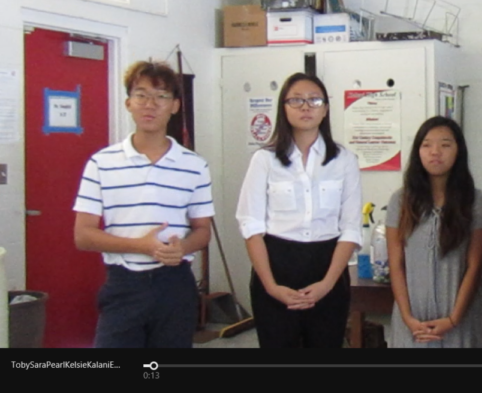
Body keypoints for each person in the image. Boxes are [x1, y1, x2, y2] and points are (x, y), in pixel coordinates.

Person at [73, 60, 214, 348]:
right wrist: (142, 246)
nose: (150, 104)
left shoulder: (194, 166)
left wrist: (182, 249)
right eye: (141, 95)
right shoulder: (102, 163)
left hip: (175, 286)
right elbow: (83, 235)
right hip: (124, 286)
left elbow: (203, 230)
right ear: (128, 103)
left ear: (174, 105)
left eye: (161, 96)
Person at [235, 72, 361, 348]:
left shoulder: (344, 161)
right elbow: (251, 226)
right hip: (276, 268)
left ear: (325, 109)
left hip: (327, 268)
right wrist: (271, 287)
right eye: (296, 100)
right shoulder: (264, 160)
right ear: (283, 108)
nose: (306, 107)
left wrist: (327, 284)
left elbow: (351, 228)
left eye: (314, 100)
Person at [385, 116, 482, 347]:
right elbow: (396, 264)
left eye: (445, 144)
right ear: (418, 151)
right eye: (427, 145)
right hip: (413, 323)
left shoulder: (475, 201)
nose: (435, 151)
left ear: (458, 151)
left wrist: (453, 319)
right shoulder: (401, 201)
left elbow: (474, 267)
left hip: (461, 321)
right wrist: (408, 318)